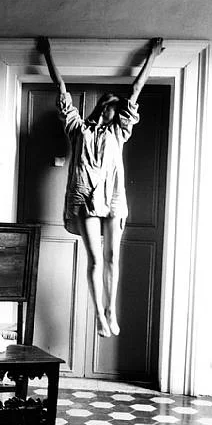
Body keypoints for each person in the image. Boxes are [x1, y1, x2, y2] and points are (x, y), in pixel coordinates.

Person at [38, 37, 164, 337]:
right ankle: (98, 314)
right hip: (85, 198)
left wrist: (152, 56)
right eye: (111, 107)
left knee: (112, 258)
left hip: (113, 197)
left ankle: (111, 309)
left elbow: (136, 90)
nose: (116, 111)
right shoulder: (78, 129)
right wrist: (48, 54)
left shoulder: (119, 132)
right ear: (102, 107)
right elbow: (61, 89)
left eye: (118, 110)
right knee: (95, 260)